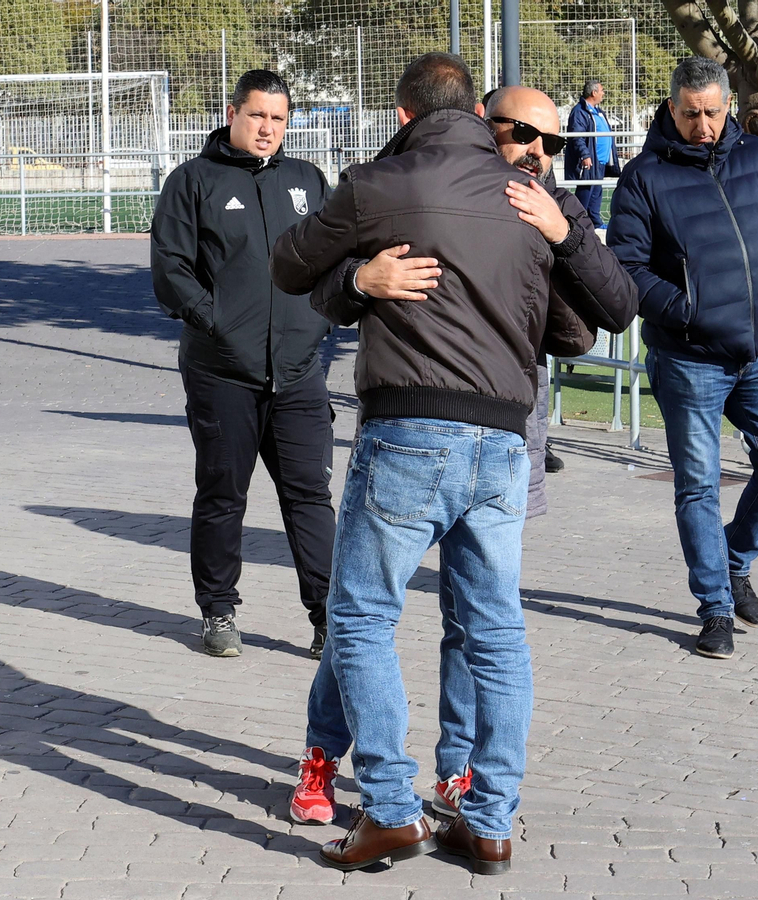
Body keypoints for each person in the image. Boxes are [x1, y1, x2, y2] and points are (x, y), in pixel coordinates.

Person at [270, 55, 634, 874]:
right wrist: (367, 282)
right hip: (503, 442)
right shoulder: (528, 205)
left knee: (362, 620)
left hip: (412, 434)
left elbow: (290, 266)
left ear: (404, 113)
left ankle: (394, 809)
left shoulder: (384, 184)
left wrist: (358, 279)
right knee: (496, 634)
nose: (536, 146)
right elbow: (589, 328)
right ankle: (489, 821)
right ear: (480, 114)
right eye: (525, 131)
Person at [605, 56, 758, 661]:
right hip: (689, 359)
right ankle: (715, 609)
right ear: (672, 108)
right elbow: (628, 270)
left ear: (726, 106)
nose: (703, 125)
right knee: (698, 487)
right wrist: (690, 312)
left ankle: (734, 558)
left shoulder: (756, 157)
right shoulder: (643, 178)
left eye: (713, 112)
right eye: (691, 113)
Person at [150, 70, 335, 661]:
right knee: (223, 495)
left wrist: (319, 320)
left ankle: (329, 616)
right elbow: (170, 271)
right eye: (258, 116)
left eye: (279, 119)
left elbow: (335, 256)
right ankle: (218, 610)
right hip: (222, 370)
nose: (268, 129)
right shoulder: (193, 182)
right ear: (233, 113)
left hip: (300, 371)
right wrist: (218, 322)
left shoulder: (308, 181)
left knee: (310, 495)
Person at [564, 78, 615, 227]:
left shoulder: (598, 112)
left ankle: (595, 222)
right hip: (590, 158)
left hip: (601, 159)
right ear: (594, 92)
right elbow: (577, 136)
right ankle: (577, 222)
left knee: (597, 190)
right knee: (586, 189)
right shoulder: (580, 111)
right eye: (601, 90)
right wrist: (585, 154)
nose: (603, 93)